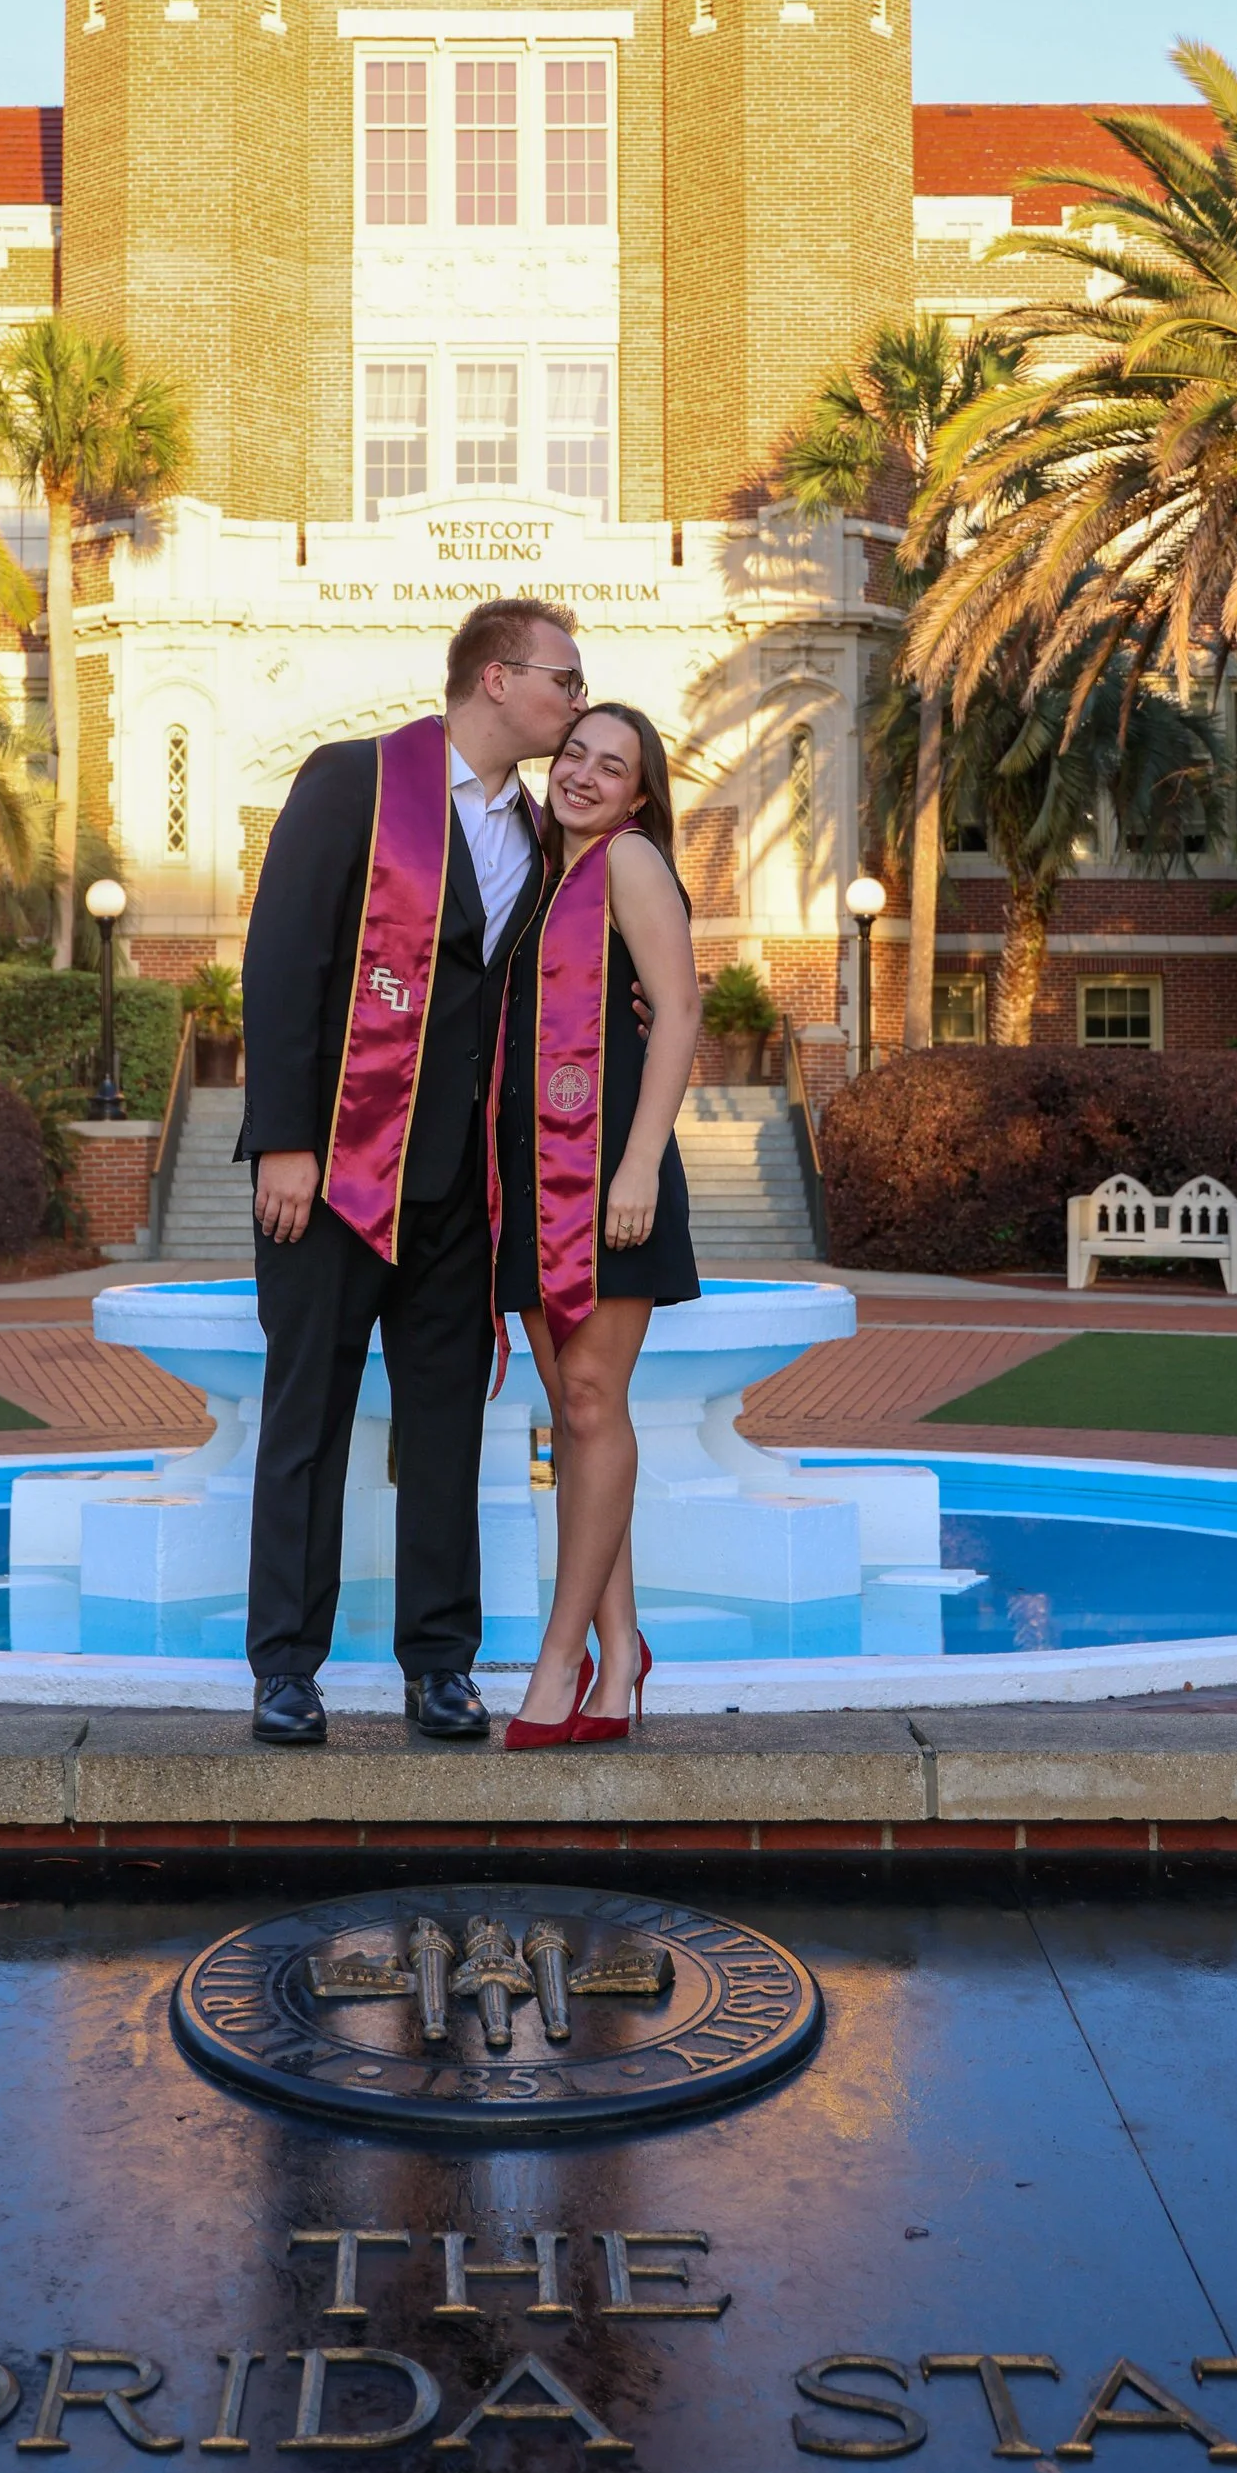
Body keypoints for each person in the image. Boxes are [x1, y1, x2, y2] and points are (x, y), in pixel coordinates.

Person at [237, 600, 585, 1746]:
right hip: (334, 1169)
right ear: (496, 678)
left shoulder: (537, 834)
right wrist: (285, 1136)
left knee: (445, 1427)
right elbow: (284, 958)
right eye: (562, 680)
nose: (573, 702)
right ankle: (286, 1667)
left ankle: (441, 1663)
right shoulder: (357, 782)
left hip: (457, 1187)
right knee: (309, 1418)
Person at [494, 702, 703, 1745]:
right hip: (530, 1173)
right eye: (573, 751)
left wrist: (637, 1166)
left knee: (589, 1398)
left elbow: (677, 1009)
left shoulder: (629, 865)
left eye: (610, 765)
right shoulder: (536, 876)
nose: (582, 773)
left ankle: (556, 1659)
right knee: (569, 1414)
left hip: (607, 1165)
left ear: (637, 793)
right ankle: (621, 1651)